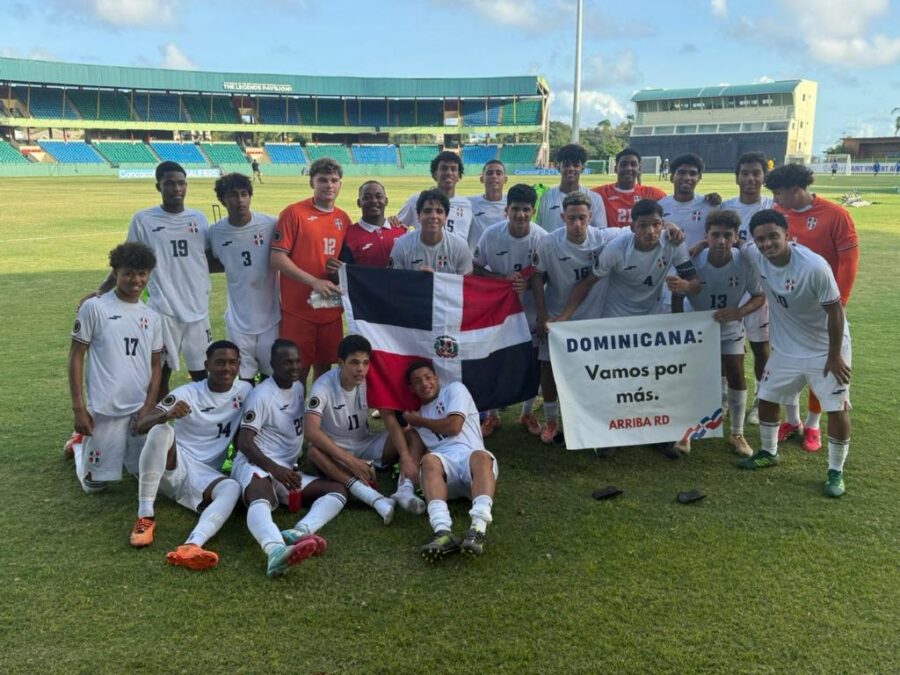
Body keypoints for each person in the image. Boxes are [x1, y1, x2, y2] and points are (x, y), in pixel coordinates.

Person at [558, 199, 698, 458]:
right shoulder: (617, 249)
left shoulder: (673, 242)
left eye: (656, 225)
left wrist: (687, 287)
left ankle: (658, 434)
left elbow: (694, 281)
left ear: (663, 224)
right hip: (616, 320)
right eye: (643, 226)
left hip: (652, 319)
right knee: (615, 379)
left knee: (651, 378)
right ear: (632, 227)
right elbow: (587, 283)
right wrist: (565, 316)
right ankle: (610, 435)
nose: (650, 232)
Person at [737, 210, 852, 498]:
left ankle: (835, 471)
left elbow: (835, 312)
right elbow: (735, 244)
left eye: (773, 236)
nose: (767, 244)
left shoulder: (814, 267)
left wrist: (835, 355)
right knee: (765, 397)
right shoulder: (754, 253)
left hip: (825, 348)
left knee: (837, 408)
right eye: (760, 239)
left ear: (788, 235)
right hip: (787, 349)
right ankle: (768, 452)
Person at [85, 161, 217, 398]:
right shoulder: (144, 219)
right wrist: (103, 289)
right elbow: (128, 259)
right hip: (163, 308)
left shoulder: (199, 219)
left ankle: (202, 424)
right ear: (158, 186)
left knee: (202, 372)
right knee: (159, 372)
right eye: (169, 184)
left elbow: (207, 258)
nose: (176, 189)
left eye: (181, 183)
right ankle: (157, 426)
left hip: (198, 308)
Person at [129, 340, 252, 570]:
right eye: (220, 363)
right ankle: (145, 515)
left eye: (232, 363)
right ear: (206, 365)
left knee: (232, 488)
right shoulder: (187, 392)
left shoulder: (245, 391)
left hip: (205, 475)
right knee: (161, 430)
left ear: (239, 365)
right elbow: (141, 425)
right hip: (176, 463)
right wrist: (167, 415)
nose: (227, 368)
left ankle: (192, 545)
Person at [765, 164, 859, 452]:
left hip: (823, 307)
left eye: (779, 193)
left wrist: (838, 303)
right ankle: (792, 421)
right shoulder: (778, 215)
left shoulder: (835, 214)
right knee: (788, 365)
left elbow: (848, 262)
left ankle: (813, 424)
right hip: (786, 310)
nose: (775, 199)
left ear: (796, 190)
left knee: (824, 369)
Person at [232, 339, 343, 577]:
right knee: (260, 497)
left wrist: (285, 469)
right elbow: (243, 442)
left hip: (285, 469)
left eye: (296, 361)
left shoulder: (299, 387)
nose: (294, 367)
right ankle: (274, 551)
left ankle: (300, 532)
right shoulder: (262, 394)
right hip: (257, 463)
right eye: (286, 363)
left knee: (337, 490)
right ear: (272, 364)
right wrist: (275, 470)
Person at [530, 192, 628, 443]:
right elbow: (537, 276)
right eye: (571, 218)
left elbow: (635, 230)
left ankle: (584, 421)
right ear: (562, 216)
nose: (577, 224)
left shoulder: (604, 237)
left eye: (582, 218)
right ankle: (552, 422)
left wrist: (670, 226)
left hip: (591, 319)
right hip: (555, 316)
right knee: (548, 369)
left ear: (590, 217)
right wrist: (542, 316)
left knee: (589, 372)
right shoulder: (548, 243)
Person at [68, 242, 162, 493]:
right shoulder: (95, 308)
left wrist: (148, 407)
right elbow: (76, 357)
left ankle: (117, 451)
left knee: (144, 475)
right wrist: (79, 409)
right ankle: (79, 446)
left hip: (136, 411)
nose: (136, 279)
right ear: (115, 274)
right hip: (104, 410)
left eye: (142, 273)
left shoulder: (152, 316)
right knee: (94, 486)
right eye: (128, 273)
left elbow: (155, 365)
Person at [673, 210, 765, 457]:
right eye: (715, 235)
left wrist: (739, 311)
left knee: (735, 372)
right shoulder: (692, 259)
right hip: (697, 328)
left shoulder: (745, 262)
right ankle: (687, 430)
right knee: (692, 377)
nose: (721, 241)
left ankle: (737, 433)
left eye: (727, 235)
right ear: (707, 236)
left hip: (729, 327)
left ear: (736, 237)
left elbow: (759, 296)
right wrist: (680, 324)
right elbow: (677, 293)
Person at [305, 334, 426, 520]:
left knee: (412, 434)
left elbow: (388, 417)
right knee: (314, 452)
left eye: (365, 363)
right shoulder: (323, 386)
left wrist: (406, 457)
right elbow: (311, 431)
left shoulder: (368, 380)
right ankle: (371, 496)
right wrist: (351, 461)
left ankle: (405, 489)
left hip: (365, 442)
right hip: (337, 449)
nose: (360, 369)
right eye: (354, 362)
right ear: (340, 363)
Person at [403, 360, 499, 560]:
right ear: (411, 388)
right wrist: (406, 483)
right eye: (417, 381)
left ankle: (477, 530)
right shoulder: (416, 417)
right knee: (429, 460)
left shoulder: (455, 390)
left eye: (428, 377)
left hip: (473, 464)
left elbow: (454, 426)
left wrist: (418, 422)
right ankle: (442, 531)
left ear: (436, 378)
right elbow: (417, 454)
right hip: (445, 474)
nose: (425, 384)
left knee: (481, 455)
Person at [473, 183, 547, 437]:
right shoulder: (491, 235)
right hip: (498, 312)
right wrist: (501, 279)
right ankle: (492, 416)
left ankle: (527, 412)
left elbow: (545, 275)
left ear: (533, 211)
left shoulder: (541, 238)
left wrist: (529, 287)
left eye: (526, 210)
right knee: (495, 360)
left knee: (532, 363)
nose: (520, 215)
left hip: (529, 312)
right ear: (506, 210)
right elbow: (476, 268)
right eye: (515, 209)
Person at [270, 157, 350, 388]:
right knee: (296, 368)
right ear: (311, 183)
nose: (329, 185)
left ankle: (314, 415)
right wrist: (313, 281)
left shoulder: (343, 218)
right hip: (299, 309)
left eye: (334, 180)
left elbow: (345, 261)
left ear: (340, 184)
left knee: (325, 366)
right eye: (322, 180)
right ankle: (293, 417)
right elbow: (277, 257)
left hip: (330, 307)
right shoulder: (294, 213)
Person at [208, 173, 279, 382]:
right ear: (221, 200)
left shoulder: (270, 224)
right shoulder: (215, 232)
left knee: (271, 375)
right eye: (233, 195)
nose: (240, 200)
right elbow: (210, 262)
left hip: (271, 316)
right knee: (243, 378)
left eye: (244, 194)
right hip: (238, 318)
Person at [721, 151, 775, 425]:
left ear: (764, 177)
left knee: (760, 347)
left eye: (756, 173)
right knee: (726, 347)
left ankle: (761, 399)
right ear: (736, 177)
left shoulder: (772, 206)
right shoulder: (726, 207)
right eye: (745, 173)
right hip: (730, 285)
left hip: (760, 287)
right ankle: (723, 399)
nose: (751, 178)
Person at [388, 189, 473, 274]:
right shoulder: (402, 245)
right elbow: (393, 281)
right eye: (427, 211)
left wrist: (435, 279)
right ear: (418, 216)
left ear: (445, 218)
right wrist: (417, 279)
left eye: (439, 211)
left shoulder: (460, 247)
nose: (433, 216)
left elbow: (466, 284)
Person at [396, 150, 473, 243]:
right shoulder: (416, 200)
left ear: (458, 176)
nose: (449, 173)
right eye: (444, 168)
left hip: (458, 256)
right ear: (435, 173)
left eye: (453, 169)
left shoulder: (467, 205)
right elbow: (397, 228)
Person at [535, 144, 607, 232]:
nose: (571, 169)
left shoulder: (595, 199)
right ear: (558, 167)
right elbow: (539, 230)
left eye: (576, 165)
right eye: (566, 165)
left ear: (582, 168)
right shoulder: (546, 197)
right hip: (553, 246)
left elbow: (601, 233)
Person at [335, 180, 406, 268]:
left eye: (378, 196)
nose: (373, 201)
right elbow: (346, 274)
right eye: (367, 197)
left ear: (386, 201)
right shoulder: (348, 236)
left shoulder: (401, 231)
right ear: (359, 203)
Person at [593, 148, 666, 228]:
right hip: (611, 239)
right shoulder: (598, 194)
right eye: (624, 164)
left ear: (639, 169)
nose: (628, 168)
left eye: (633, 164)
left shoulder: (655, 194)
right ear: (615, 169)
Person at [467, 159, 509, 250]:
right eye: (489, 173)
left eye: (498, 173)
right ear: (482, 179)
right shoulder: (468, 203)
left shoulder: (513, 203)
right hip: (476, 261)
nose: (494, 176)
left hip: (504, 260)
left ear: (505, 179)